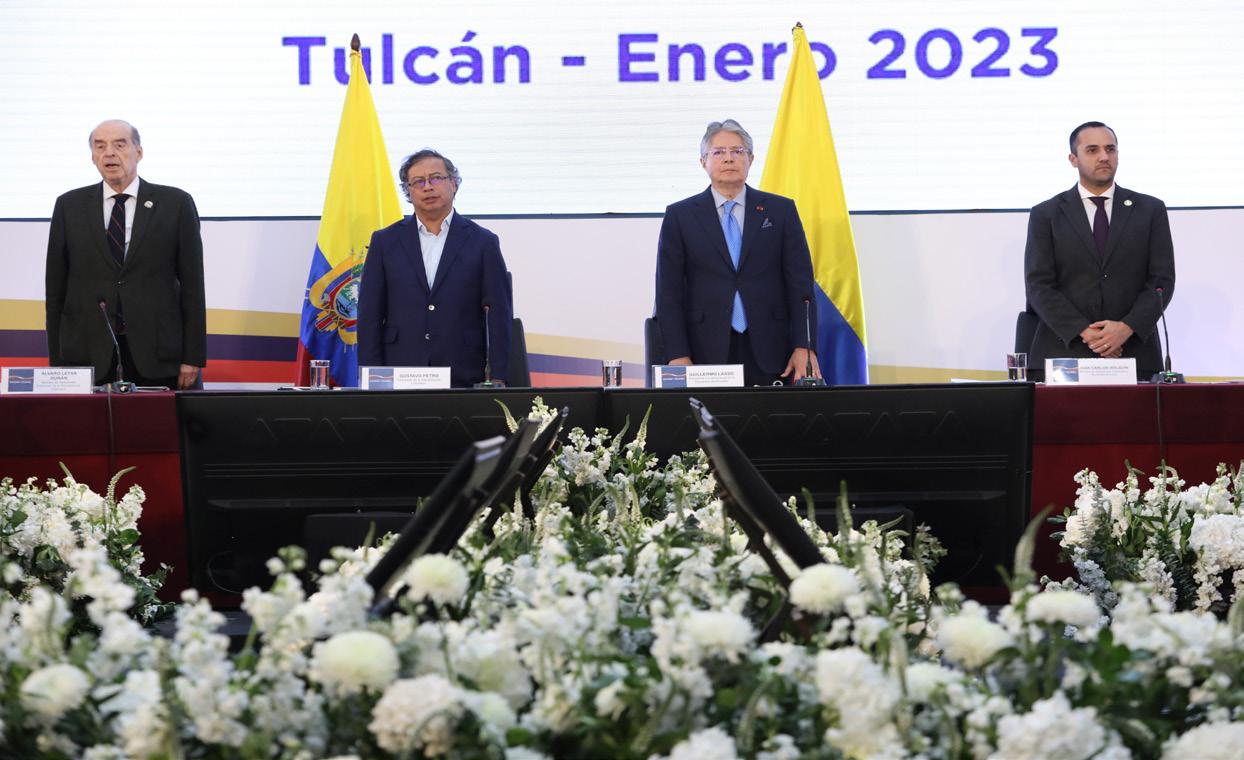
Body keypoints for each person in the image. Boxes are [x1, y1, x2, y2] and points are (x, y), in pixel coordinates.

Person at [654, 119, 821, 386]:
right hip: (703, 349)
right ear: (703, 162)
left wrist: (805, 345)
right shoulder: (680, 216)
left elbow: (801, 286)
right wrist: (677, 354)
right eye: (718, 152)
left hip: (772, 346)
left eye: (737, 151)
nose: (728, 158)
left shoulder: (781, 211)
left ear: (751, 159)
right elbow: (668, 293)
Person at [45, 120, 206, 389]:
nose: (109, 152)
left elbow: (193, 287)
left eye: (119, 145)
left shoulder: (176, 203)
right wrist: (57, 361)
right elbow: (55, 290)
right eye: (100, 146)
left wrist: (193, 357)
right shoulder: (69, 206)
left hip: (159, 353)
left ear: (138, 152)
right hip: (87, 353)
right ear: (93, 157)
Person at [1024, 121, 1175, 381]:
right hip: (1065, 352)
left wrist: (1126, 328)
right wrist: (1086, 332)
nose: (1104, 156)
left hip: (1134, 351)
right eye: (1092, 150)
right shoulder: (1046, 214)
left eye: (1110, 149)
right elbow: (1039, 285)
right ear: (1073, 159)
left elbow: (1161, 281)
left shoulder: (1150, 210)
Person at [358, 149, 512, 387]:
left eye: (436, 178)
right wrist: (372, 377)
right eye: (418, 182)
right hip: (399, 370)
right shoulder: (384, 242)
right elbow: (370, 315)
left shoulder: (483, 242)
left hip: (463, 371)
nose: (427, 187)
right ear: (408, 191)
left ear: (454, 184)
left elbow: (499, 314)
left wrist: (499, 376)